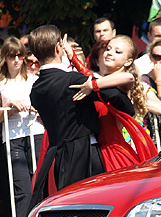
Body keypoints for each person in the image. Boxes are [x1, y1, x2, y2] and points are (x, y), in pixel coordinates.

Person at [28, 24, 104, 205]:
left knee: (68, 207)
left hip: (58, 156)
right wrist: (77, 63)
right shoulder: (72, 80)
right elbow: (114, 94)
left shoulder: (36, 89)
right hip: (86, 154)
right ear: (57, 48)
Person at [67, 35, 159, 167]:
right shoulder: (103, 80)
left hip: (115, 152)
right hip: (101, 150)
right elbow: (90, 77)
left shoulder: (123, 80)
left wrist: (92, 85)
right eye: (108, 49)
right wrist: (73, 57)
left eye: (118, 51)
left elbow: (128, 77)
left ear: (128, 62)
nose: (110, 53)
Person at [0, 38, 44, 217]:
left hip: (35, 133)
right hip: (12, 137)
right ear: (5, 57)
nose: (17, 60)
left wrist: (35, 109)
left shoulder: (33, 79)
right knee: (22, 190)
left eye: (20, 55)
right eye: (12, 55)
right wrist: (9, 108)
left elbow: (45, 110)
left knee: (40, 184)